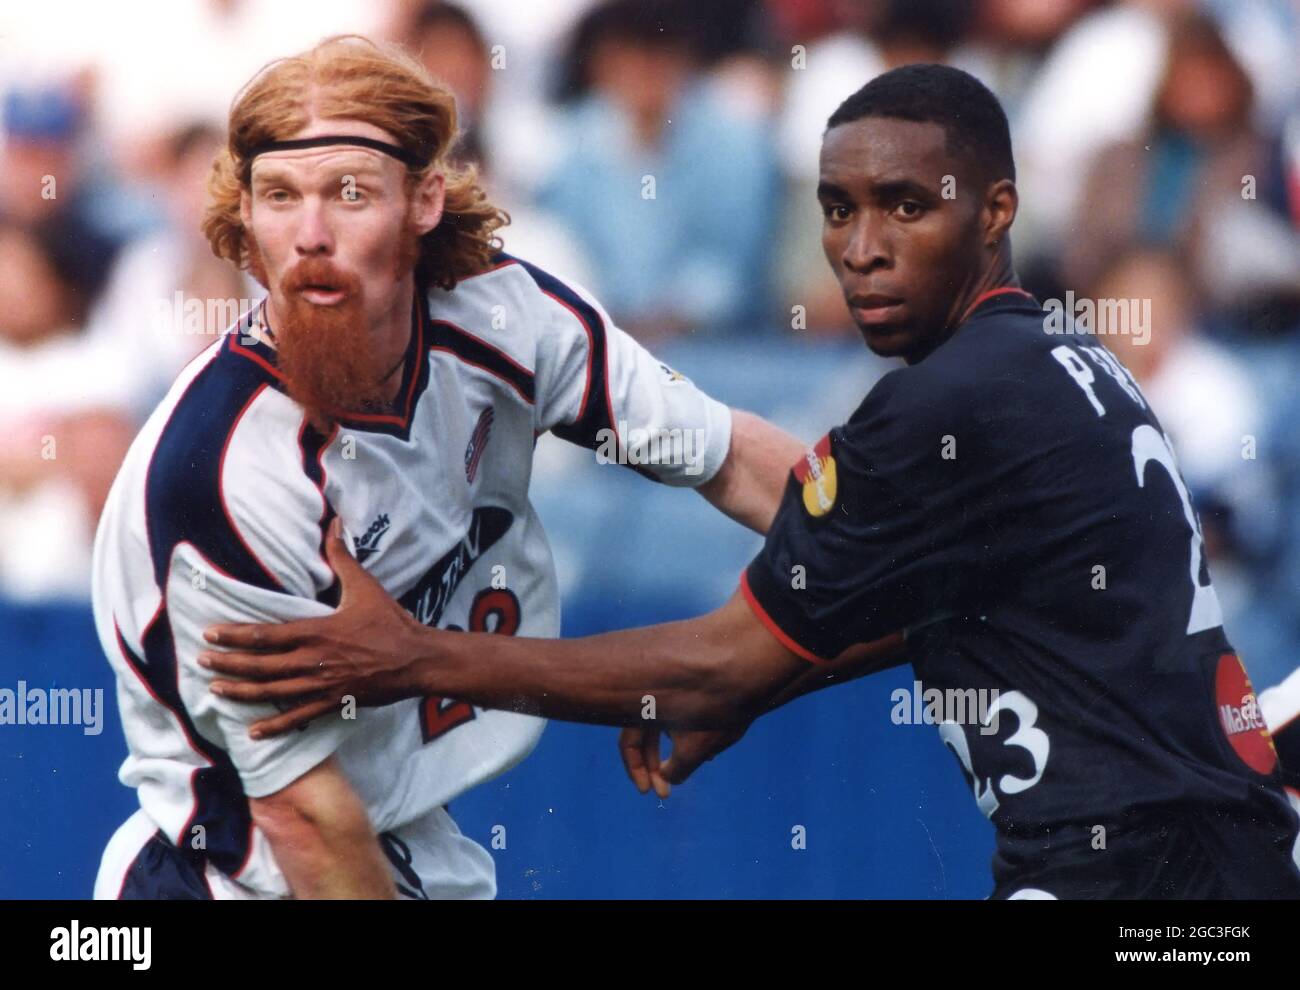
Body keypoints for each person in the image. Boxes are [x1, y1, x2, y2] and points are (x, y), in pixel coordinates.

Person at [204, 64, 1300, 899]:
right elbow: (946, 605)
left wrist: (417, 657)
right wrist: (765, 679)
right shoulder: (1063, 363)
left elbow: (713, 667)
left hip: (1143, 873)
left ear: (996, 211)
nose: (861, 248)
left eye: (905, 207)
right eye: (837, 209)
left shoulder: (947, 402)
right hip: (1210, 848)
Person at [91, 35, 801, 901]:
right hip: (237, 877)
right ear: (245, 217)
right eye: (278, 196)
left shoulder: (508, 317)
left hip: (411, 844)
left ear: (425, 197)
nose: (309, 235)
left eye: (349, 193)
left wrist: (910, 548)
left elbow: (732, 461)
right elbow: (308, 822)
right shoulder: (222, 469)